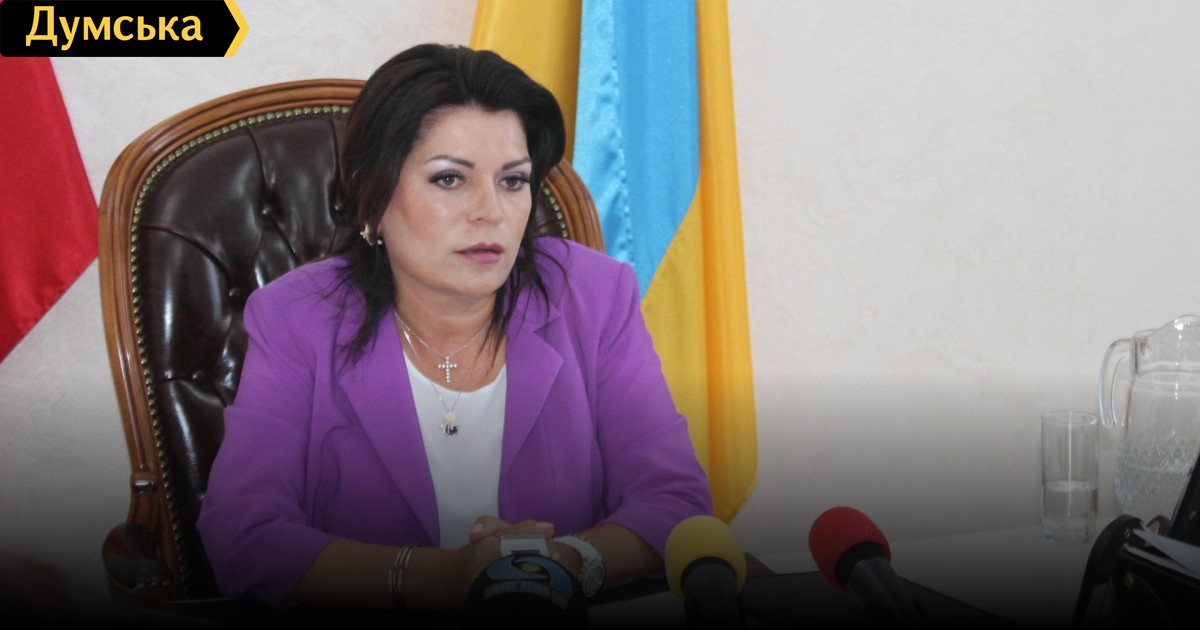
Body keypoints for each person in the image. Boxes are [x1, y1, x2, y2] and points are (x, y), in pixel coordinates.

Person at [196, 43, 712, 611]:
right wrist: (438, 576)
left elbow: (674, 502)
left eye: (512, 181)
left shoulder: (593, 296)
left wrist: (562, 563)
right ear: (371, 196)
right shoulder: (295, 318)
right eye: (449, 179)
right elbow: (244, 536)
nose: (490, 211)